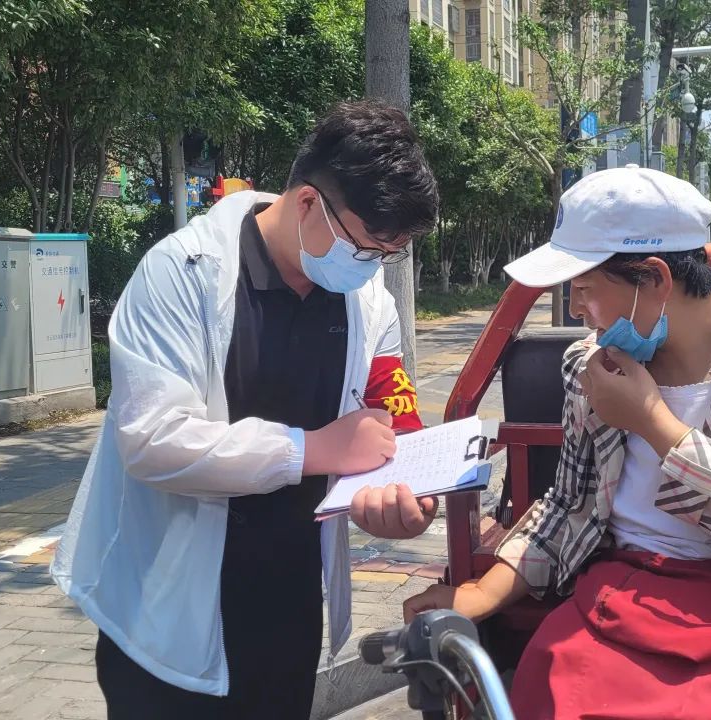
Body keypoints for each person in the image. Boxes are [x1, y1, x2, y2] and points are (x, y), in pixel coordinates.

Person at [405, 166, 711, 719]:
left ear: (655, 279)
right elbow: (570, 503)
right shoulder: (591, 366)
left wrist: (654, 423)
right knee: (556, 686)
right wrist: (480, 594)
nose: (576, 309)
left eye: (585, 288)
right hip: (627, 602)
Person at [52, 100, 440, 719]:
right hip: (166, 611)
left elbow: (389, 410)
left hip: (287, 603)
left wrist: (407, 495)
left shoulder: (366, 303)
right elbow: (152, 440)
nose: (370, 268)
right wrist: (313, 449)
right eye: (366, 248)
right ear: (309, 203)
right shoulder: (180, 273)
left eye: (385, 256)